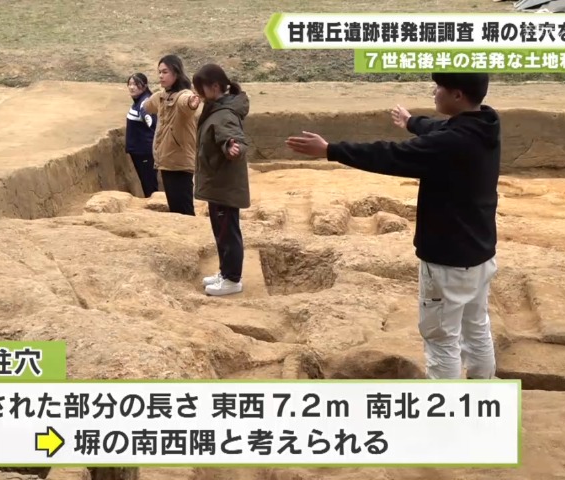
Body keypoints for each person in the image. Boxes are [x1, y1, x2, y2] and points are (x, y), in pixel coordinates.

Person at [285, 73, 500, 381]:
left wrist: (330, 150)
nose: (434, 91)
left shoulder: (448, 144)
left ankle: (448, 408)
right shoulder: (486, 124)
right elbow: (439, 129)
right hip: (480, 254)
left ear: (457, 95)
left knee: (441, 340)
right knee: (476, 326)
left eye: (440, 87)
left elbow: (389, 155)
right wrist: (412, 122)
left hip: (448, 261)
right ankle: (483, 390)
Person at [191, 64, 251, 297]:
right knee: (221, 231)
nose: (198, 93)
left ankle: (232, 279)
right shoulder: (217, 108)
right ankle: (225, 273)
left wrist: (232, 148)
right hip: (218, 182)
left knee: (228, 232)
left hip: (224, 185)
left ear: (215, 87)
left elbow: (234, 140)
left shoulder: (224, 114)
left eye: (201, 88)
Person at [141, 54, 200, 215]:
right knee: (175, 209)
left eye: (165, 72)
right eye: (159, 72)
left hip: (180, 162)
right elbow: (147, 106)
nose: (161, 75)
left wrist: (191, 103)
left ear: (176, 73)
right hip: (166, 161)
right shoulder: (162, 96)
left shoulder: (183, 95)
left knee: (184, 210)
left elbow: (185, 102)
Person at [125, 73, 159, 198]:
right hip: (139, 152)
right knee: (146, 183)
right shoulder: (138, 101)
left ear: (144, 86)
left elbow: (147, 115)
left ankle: (154, 206)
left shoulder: (144, 102)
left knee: (149, 185)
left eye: (136, 84)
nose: (132, 87)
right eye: (130, 84)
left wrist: (148, 120)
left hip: (145, 152)